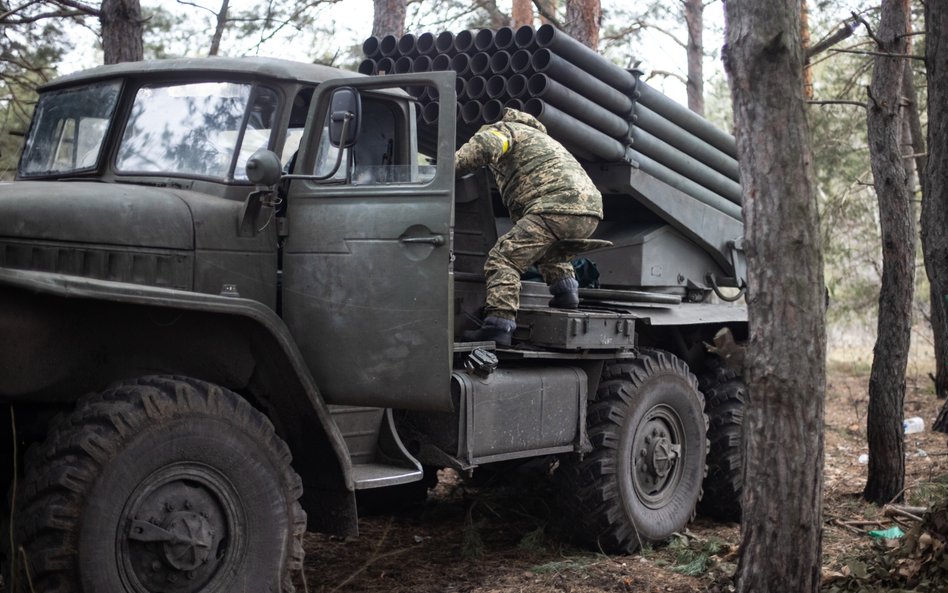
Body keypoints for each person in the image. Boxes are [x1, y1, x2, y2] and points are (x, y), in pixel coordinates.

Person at [456, 107, 603, 346]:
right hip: (590, 211)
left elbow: (485, 148)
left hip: (555, 206)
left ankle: (498, 326)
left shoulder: (507, 130)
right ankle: (566, 294)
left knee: (504, 259)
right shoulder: (543, 139)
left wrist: (444, 170)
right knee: (550, 250)